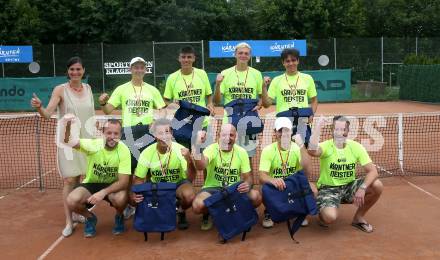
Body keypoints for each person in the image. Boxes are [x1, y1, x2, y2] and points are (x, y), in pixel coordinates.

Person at [30, 56, 95, 237]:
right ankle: (69, 220)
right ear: (68, 71)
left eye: (78, 69)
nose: (75, 72)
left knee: (82, 178)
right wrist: (39, 107)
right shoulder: (60, 89)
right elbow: (47, 114)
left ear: (83, 71)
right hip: (67, 143)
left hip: (86, 142)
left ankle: (78, 211)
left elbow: (89, 115)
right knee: (69, 180)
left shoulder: (89, 88)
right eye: (72, 69)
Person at [99, 57, 166, 219]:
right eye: (135, 67)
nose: (138, 70)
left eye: (141, 67)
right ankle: (129, 204)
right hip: (128, 133)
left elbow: (162, 109)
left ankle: (149, 201)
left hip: (148, 132)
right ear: (131, 69)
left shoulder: (152, 89)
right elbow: (108, 110)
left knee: (149, 169)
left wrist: (157, 123)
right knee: (128, 172)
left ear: (145, 70)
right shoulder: (121, 89)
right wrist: (102, 103)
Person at [307, 116, 383, 233]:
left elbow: (373, 171)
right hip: (328, 189)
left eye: (343, 129)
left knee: (377, 185)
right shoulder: (326, 146)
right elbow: (311, 151)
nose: (339, 132)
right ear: (332, 130)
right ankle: (322, 210)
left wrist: (362, 188)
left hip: (349, 186)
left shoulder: (356, 147)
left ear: (347, 131)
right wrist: (318, 128)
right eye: (336, 129)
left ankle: (358, 218)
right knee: (329, 218)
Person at [64, 117, 131, 238]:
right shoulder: (93, 145)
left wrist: (103, 192)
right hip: (92, 183)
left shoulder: (124, 150)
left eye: (116, 133)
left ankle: (119, 215)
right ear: (103, 133)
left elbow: (124, 182)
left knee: (121, 198)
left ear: (120, 135)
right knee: (71, 200)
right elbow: (68, 141)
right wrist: (68, 124)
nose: (112, 136)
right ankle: (90, 218)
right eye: (108, 133)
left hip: (112, 185)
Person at [192, 123, 262, 230]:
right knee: (197, 206)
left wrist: (247, 184)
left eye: (231, 135)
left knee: (256, 197)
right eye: (224, 135)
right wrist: (197, 145)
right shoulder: (211, 149)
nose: (227, 138)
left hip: (233, 189)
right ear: (219, 136)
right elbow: (200, 166)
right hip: (212, 189)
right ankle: (211, 214)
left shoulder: (242, 152)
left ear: (236, 137)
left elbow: (248, 177)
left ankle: (232, 213)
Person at [131, 118, 196, 230]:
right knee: (133, 198)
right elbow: (139, 179)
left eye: (167, 132)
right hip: (157, 186)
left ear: (171, 134)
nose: (164, 136)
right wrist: (136, 193)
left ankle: (180, 210)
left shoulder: (180, 150)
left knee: (189, 196)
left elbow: (190, 179)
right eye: (160, 133)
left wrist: (189, 160)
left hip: (177, 184)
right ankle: (154, 210)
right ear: (155, 135)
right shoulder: (147, 153)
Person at [213, 42, 265, 159]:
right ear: (235, 54)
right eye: (240, 53)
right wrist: (217, 85)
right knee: (228, 156)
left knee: (248, 157)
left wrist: (260, 104)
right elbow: (216, 101)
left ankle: (247, 178)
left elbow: (262, 97)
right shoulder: (225, 73)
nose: (243, 55)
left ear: (250, 56)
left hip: (250, 120)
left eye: (246, 53)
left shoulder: (257, 74)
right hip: (230, 122)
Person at [259, 117, 313, 228]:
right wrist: (272, 180)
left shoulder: (297, 148)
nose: (283, 133)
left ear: (291, 132)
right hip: (276, 187)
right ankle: (269, 211)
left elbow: (308, 172)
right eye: (280, 130)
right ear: (275, 132)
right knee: (263, 189)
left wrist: (302, 146)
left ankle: (300, 212)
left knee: (313, 189)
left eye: (286, 130)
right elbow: (261, 176)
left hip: (293, 185)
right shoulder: (268, 150)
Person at [262, 48, 318, 143]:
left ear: (298, 61)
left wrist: (311, 114)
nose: (291, 63)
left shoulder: (307, 78)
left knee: (306, 150)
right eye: (287, 61)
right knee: (286, 151)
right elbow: (267, 104)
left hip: (302, 120)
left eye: (293, 60)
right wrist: (264, 87)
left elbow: (314, 100)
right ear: (283, 63)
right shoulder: (276, 80)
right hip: (284, 121)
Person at [163, 45, 214, 148]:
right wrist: (173, 105)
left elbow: (208, 94)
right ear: (179, 58)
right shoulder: (172, 78)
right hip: (182, 124)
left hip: (202, 123)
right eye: (183, 57)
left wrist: (209, 103)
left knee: (202, 157)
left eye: (189, 57)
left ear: (194, 58)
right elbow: (166, 100)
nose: (186, 60)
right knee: (184, 158)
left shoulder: (202, 74)